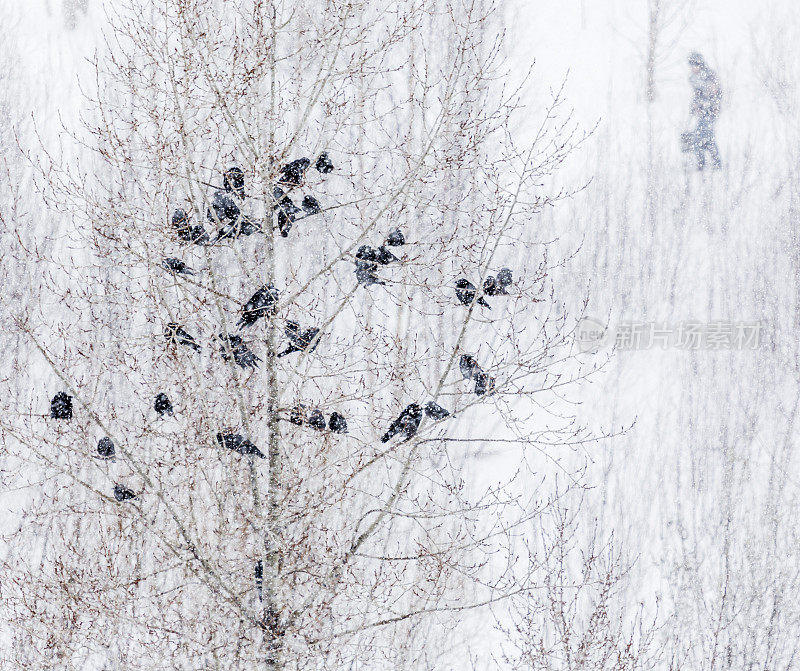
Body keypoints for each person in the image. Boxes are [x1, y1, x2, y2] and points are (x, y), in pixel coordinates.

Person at [686, 52, 722, 171]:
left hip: (710, 111)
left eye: (695, 65)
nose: (693, 68)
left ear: (700, 64)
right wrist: (694, 107)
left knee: (704, 138)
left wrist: (705, 103)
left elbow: (714, 93)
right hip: (702, 112)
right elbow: (697, 94)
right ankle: (709, 163)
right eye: (691, 65)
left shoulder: (709, 75)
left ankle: (707, 164)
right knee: (704, 137)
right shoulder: (693, 78)